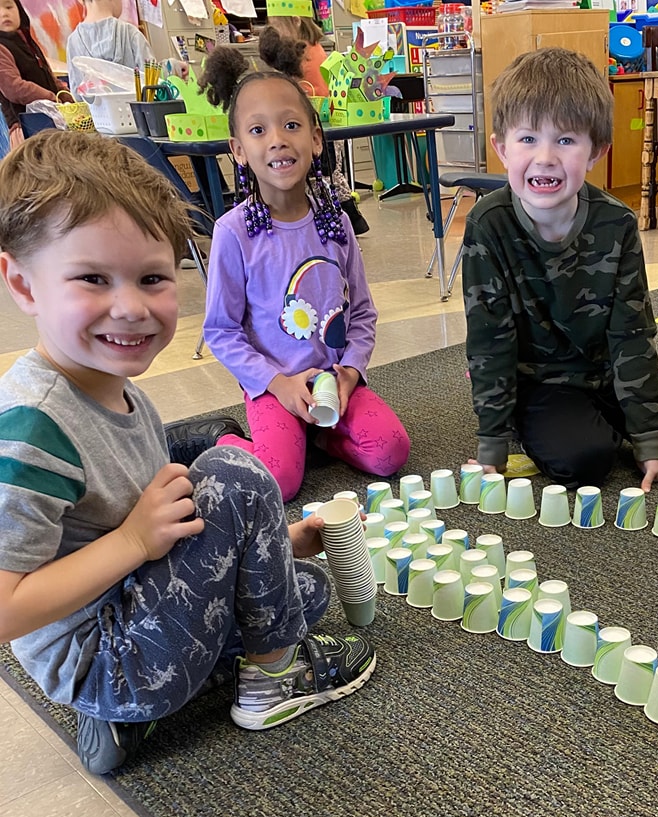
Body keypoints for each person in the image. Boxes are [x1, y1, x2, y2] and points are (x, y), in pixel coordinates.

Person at [0, 130, 376, 776]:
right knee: (232, 469)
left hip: (129, 616)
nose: (131, 307)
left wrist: (277, 540)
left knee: (301, 590)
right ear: (24, 286)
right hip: (107, 655)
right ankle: (269, 684)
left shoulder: (123, 397)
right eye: (93, 278)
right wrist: (132, 544)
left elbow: (177, 531)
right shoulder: (34, 426)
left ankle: (132, 716)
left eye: (152, 278)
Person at [462, 47, 658, 490]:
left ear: (596, 152)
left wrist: (648, 440)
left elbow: (631, 332)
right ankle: (622, 405)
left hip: (609, 370)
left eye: (565, 140)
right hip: (542, 383)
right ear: (501, 147)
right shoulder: (488, 225)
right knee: (585, 462)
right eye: (528, 139)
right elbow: (489, 340)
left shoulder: (616, 223)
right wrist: (492, 444)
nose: (546, 157)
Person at [199, 47, 409, 503]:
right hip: (273, 387)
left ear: (316, 139)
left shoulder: (335, 222)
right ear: (238, 150)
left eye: (291, 125)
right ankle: (222, 440)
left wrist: (351, 374)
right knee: (280, 483)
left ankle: (316, 436)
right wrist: (277, 384)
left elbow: (363, 315)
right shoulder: (233, 233)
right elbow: (221, 331)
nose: (277, 140)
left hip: (333, 381)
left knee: (391, 454)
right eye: (258, 130)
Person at [258, 22, 370, 236]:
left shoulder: (299, 55)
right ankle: (352, 218)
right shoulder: (315, 45)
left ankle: (343, 219)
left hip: (319, 121)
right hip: (330, 114)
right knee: (331, 173)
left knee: (324, 175)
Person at [65, 0, 188, 96]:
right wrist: (173, 67)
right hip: (136, 120)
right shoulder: (131, 34)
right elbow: (151, 80)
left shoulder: (73, 41)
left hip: (96, 124)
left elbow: (77, 94)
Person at [0, 0, 63, 148]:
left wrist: (63, 93)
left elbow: (47, 73)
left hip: (48, 120)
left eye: (9, 7)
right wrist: (51, 97)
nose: (4, 13)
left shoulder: (28, 42)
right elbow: (13, 88)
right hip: (26, 128)